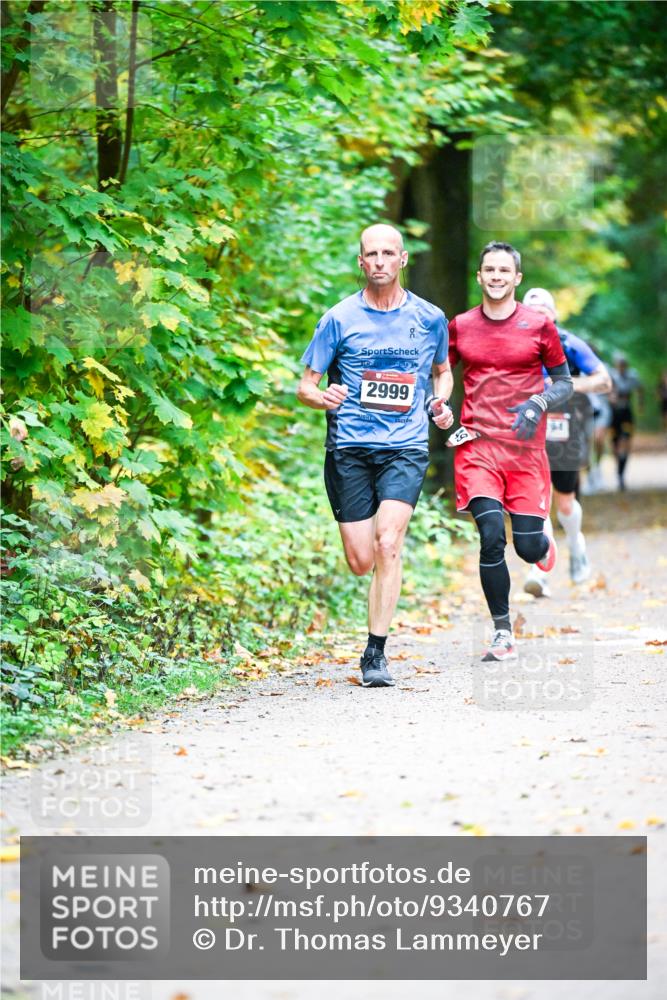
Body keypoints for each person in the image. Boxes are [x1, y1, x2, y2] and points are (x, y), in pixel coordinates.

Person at [296, 224, 453, 687]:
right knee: (361, 560)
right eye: (372, 254)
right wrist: (322, 397)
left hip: (405, 445)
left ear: (403, 259)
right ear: (361, 262)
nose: (380, 261)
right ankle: (374, 634)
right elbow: (306, 386)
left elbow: (443, 372)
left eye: (388, 253)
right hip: (349, 448)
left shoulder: (430, 318)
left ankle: (375, 653)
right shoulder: (338, 319)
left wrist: (439, 400)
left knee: (388, 542)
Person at [444, 242, 573, 662]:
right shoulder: (460, 326)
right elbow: (440, 373)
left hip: (525, 451)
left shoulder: (539, 326)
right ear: (479, 276)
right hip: (477, 447)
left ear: (517, 278)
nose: (496, 276)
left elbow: (564, 382)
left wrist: (538, 402)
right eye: (489, 270)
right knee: (491, 536)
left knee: (527, 548)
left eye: (504, 270)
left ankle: (542, 546)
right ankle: (502, 632)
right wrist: (438, 405)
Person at [521, 288, 612, 596]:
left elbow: (604, 380)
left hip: (564, 428)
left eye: (543, 311)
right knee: (536, 499)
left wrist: (564, 385)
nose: (538, 317)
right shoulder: (513, 343)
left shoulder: (569, 343)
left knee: (564, 501)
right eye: (531, 311)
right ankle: (539, 569)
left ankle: (576, 547)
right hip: (526, 426)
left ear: (554, 315)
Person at [610, 352, 643, 490]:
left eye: (624, 364)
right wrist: (611, 397)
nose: (622, 367)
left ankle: (621, 472)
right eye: (620, 364)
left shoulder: (632, 376)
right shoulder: (611, 375)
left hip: (626, 414)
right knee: (615, 443)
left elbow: (640, 388)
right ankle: (618, 467)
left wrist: (641, 403)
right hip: (614, 414)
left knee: (626, 441)